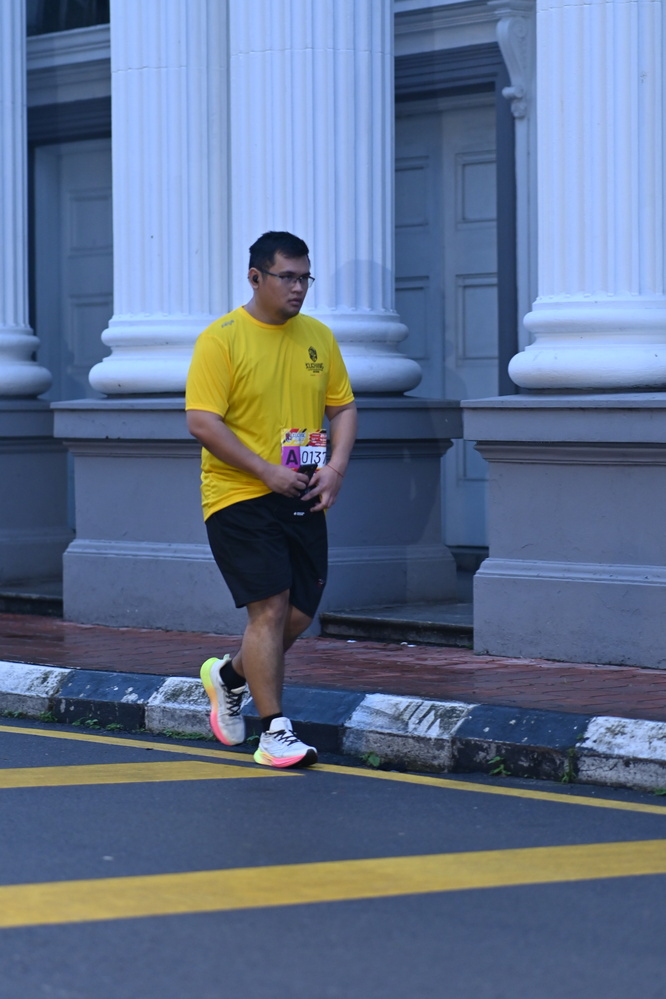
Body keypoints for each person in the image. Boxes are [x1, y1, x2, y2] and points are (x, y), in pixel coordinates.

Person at [185, 231, 357, 769]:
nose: (299, 288)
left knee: (299, 615)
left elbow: (343, 409)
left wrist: (334, 469)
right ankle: (274, 731)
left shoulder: (318, 336)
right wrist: (264, 470)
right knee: (270, 608)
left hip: (301, 490)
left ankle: (229, 675)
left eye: (305, 278)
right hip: (238, 493)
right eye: (288, 277)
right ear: (256, 277)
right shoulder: (222, 339)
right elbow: (202, 421)